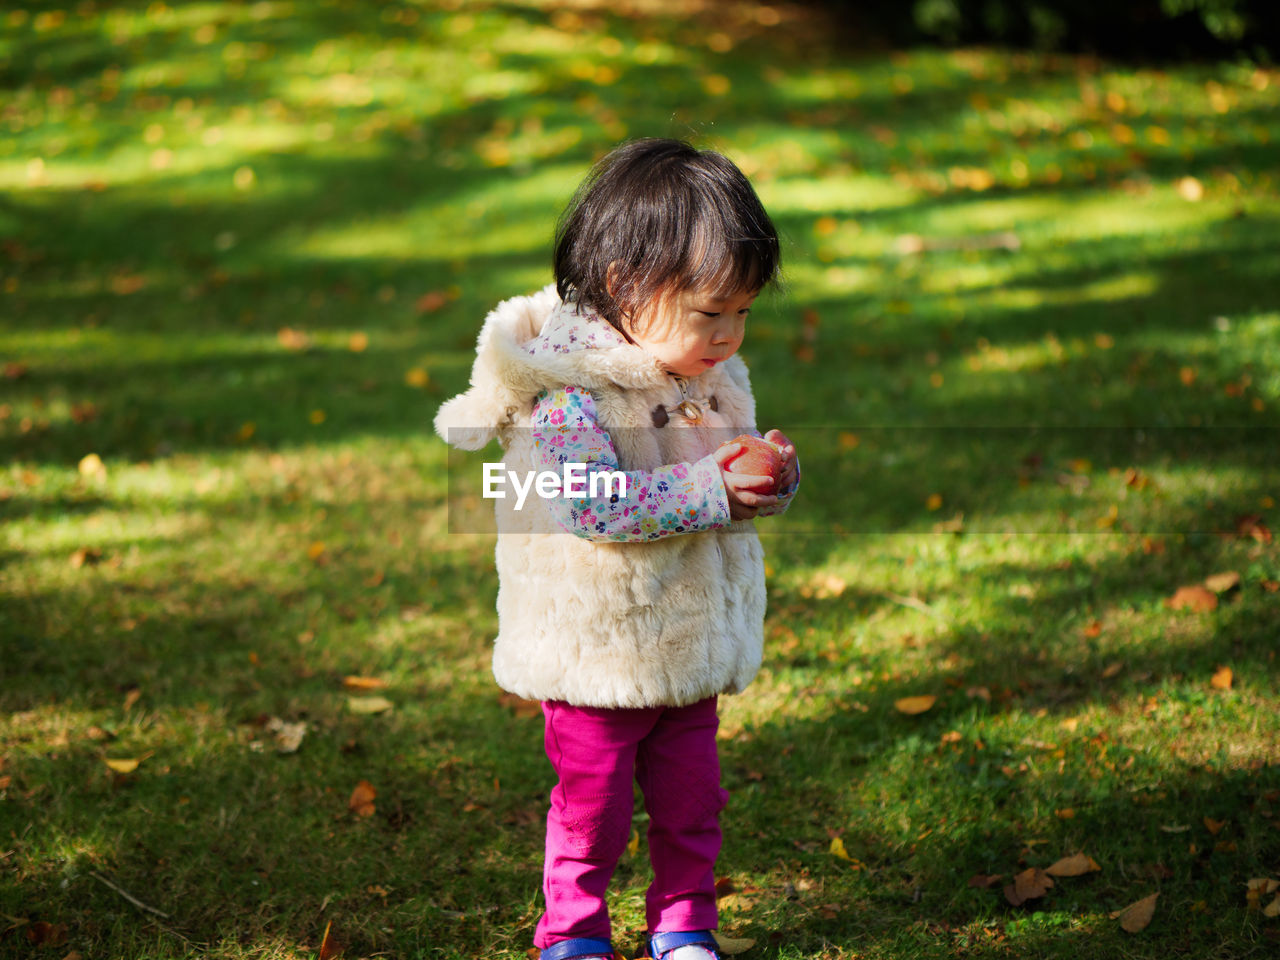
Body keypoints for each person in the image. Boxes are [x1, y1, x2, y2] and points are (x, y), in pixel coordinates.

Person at [435, 138, 799, 960]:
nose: (730, 334)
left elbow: (726, 473)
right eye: (712, 313)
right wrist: (715, 488)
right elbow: (595, 509)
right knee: (593, 803)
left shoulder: (704, 376)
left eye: (743, 312)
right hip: (598, 651)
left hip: (684, 641)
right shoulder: (569, 398)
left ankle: (684, 925)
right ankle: (572, 931)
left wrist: (769, 476)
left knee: (692, 800)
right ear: (628, 288)